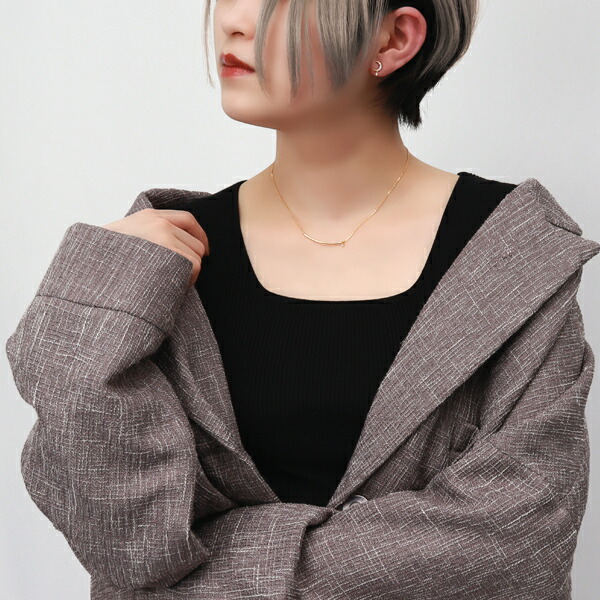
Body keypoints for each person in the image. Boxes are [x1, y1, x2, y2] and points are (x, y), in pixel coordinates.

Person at [7, 1, 600, 598]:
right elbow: (120, 540)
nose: (233, 21)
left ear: (394, 38)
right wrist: (91, 304)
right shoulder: (153, 262)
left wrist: (205, 580)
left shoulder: (514, 257)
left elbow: (515, 547)